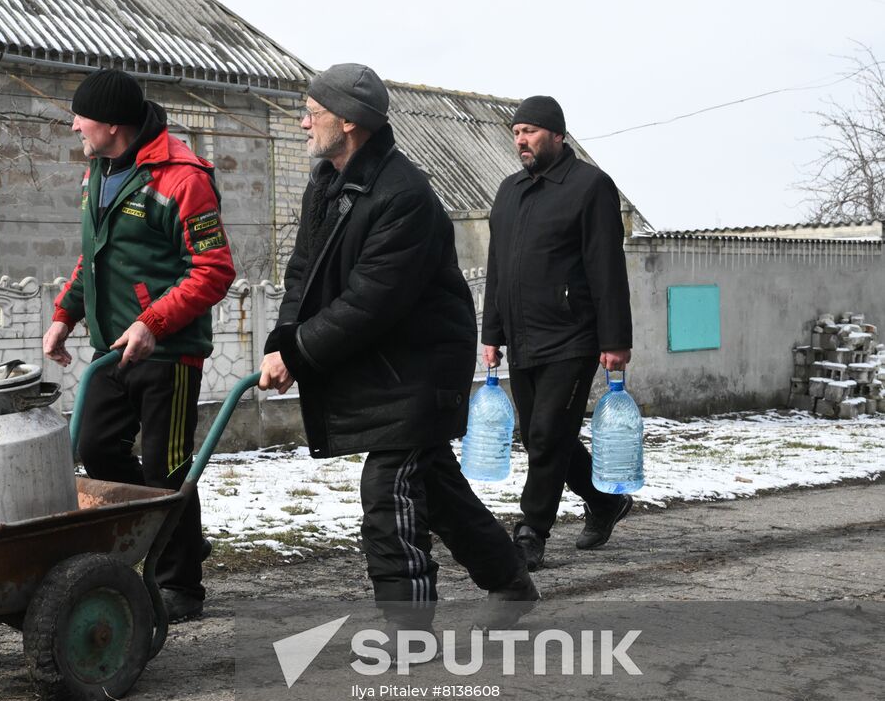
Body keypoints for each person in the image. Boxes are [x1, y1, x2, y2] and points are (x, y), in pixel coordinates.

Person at [259, 63, 537, 627]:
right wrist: (283, 341)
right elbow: (303, 274)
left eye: (313, 113)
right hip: (387, 367)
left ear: (350, 121)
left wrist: (300, 353)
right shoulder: (328, 183)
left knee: (388, 492)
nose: (303, 122)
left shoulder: (403, 194)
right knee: (434, 487)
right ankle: (511, 582)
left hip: (419, 370)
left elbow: (371, 301)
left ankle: (408, 629)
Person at [44, 68, 235, 623]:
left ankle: (182, 586)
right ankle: (169, 530)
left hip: (169, 352)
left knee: (168, 466)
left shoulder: (181, 177)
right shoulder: (98, 171)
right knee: (100, 450)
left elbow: (214, 270)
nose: (74, 124)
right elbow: (94, 253)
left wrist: (153, 322)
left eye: (81, 116)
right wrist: (65, 314)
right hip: (113, 349)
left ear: (111, 124)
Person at [481, 95, 634, 572]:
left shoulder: (590, 186)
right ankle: (606, 501)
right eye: (516, 133)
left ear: (557, 134)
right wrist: (492, 333)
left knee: (547, 433)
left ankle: (531, 532)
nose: (520, 140)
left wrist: (615, 339)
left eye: (529, 131)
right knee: (539, 433)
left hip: (574, 336)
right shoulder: (509, 191)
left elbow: (607, 268)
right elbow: (498, 267)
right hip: (525, 338)